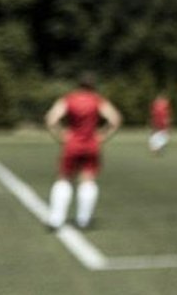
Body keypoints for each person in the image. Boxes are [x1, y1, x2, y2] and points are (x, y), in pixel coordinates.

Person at [43, 73, 122, 230]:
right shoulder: (97, 100)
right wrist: (103, 136)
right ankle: (84, 220)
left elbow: (51, 119)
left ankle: (56, 219)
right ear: (93, 86)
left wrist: (60, 136)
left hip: (72, 144)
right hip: (91, 144)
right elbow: (115, 119)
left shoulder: (68, 99)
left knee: (64, 179)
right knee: (88, 180)